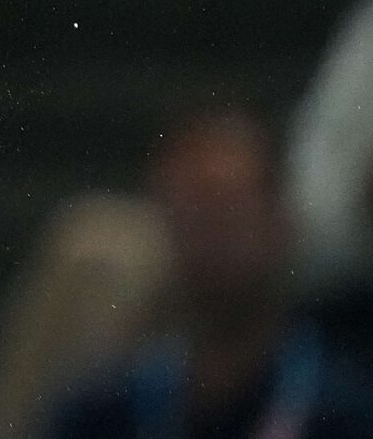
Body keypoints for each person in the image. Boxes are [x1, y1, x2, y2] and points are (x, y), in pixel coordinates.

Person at [39, 109, 373, 439]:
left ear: (281, 222)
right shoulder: (101, 411)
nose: (212, 240)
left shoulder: (343, 408)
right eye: (193, 217)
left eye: (229, 214)